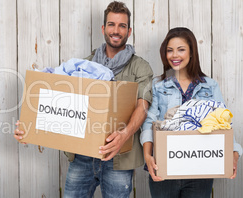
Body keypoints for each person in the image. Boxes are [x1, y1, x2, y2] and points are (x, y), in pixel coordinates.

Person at [15, 1, 153, 197]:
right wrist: (29, 125)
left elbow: (143, 105)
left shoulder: (141, 67)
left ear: (129, 31)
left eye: (122, 26)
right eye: (111, 25)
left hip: (119, 157)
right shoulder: (83, 65)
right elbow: (58, 103)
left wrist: (124, 134)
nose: (116, 30)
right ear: (103, 29)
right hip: (82, 156)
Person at [140, 27, 242, 197]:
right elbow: (149, 122)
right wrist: (147, 156)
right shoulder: (157, 85)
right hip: (163, 166)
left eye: (181, 50)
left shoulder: (210, 85)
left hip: (200, 169)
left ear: (192, 52)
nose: (174, 55)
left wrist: (234, 153)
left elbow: (224, 122)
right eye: (170, 50)